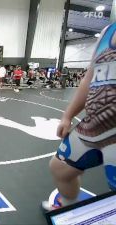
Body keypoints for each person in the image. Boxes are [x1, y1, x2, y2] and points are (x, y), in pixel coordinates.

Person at [42, 24, 116, 211]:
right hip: (94, 124)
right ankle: (69, 209)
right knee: (60, 168)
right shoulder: (107, 31)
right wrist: (68, 115)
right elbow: (89, 77)